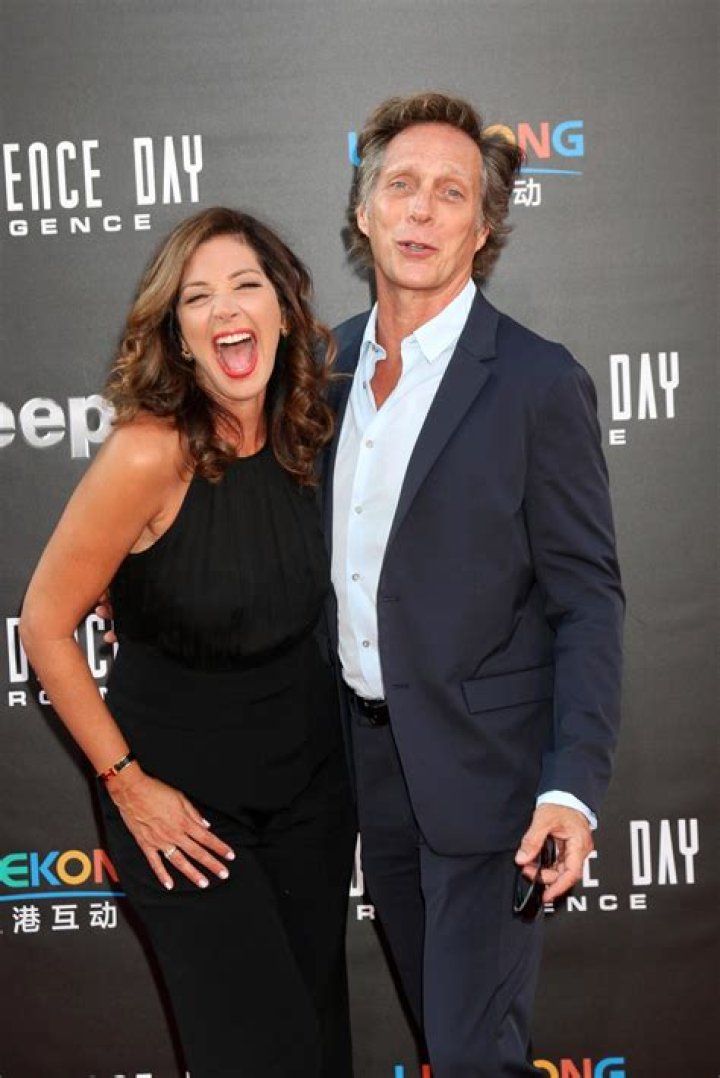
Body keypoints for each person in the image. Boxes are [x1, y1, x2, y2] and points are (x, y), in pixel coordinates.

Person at [324, 92, 624, 1077]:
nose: (421, 210)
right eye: (400, 185)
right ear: (364, 208)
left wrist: (571, 787)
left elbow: (587, 600)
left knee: (467, 1055)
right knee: (449, 1038)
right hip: (363, 768)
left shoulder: (537, 382)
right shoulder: (320, 369)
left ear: (483, 227)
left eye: (450, 193)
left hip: (491, 780)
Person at [19, 207, 356, 1078]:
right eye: (197, 298)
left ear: (283, 308)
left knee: (319, 1047)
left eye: (246, 285)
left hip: (311, 798)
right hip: (183, 812)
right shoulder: (148, 453)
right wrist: (128, 787)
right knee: (261, 1057)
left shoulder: (312, 428)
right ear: (178, 333)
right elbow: (45, 624)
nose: (225, 309)